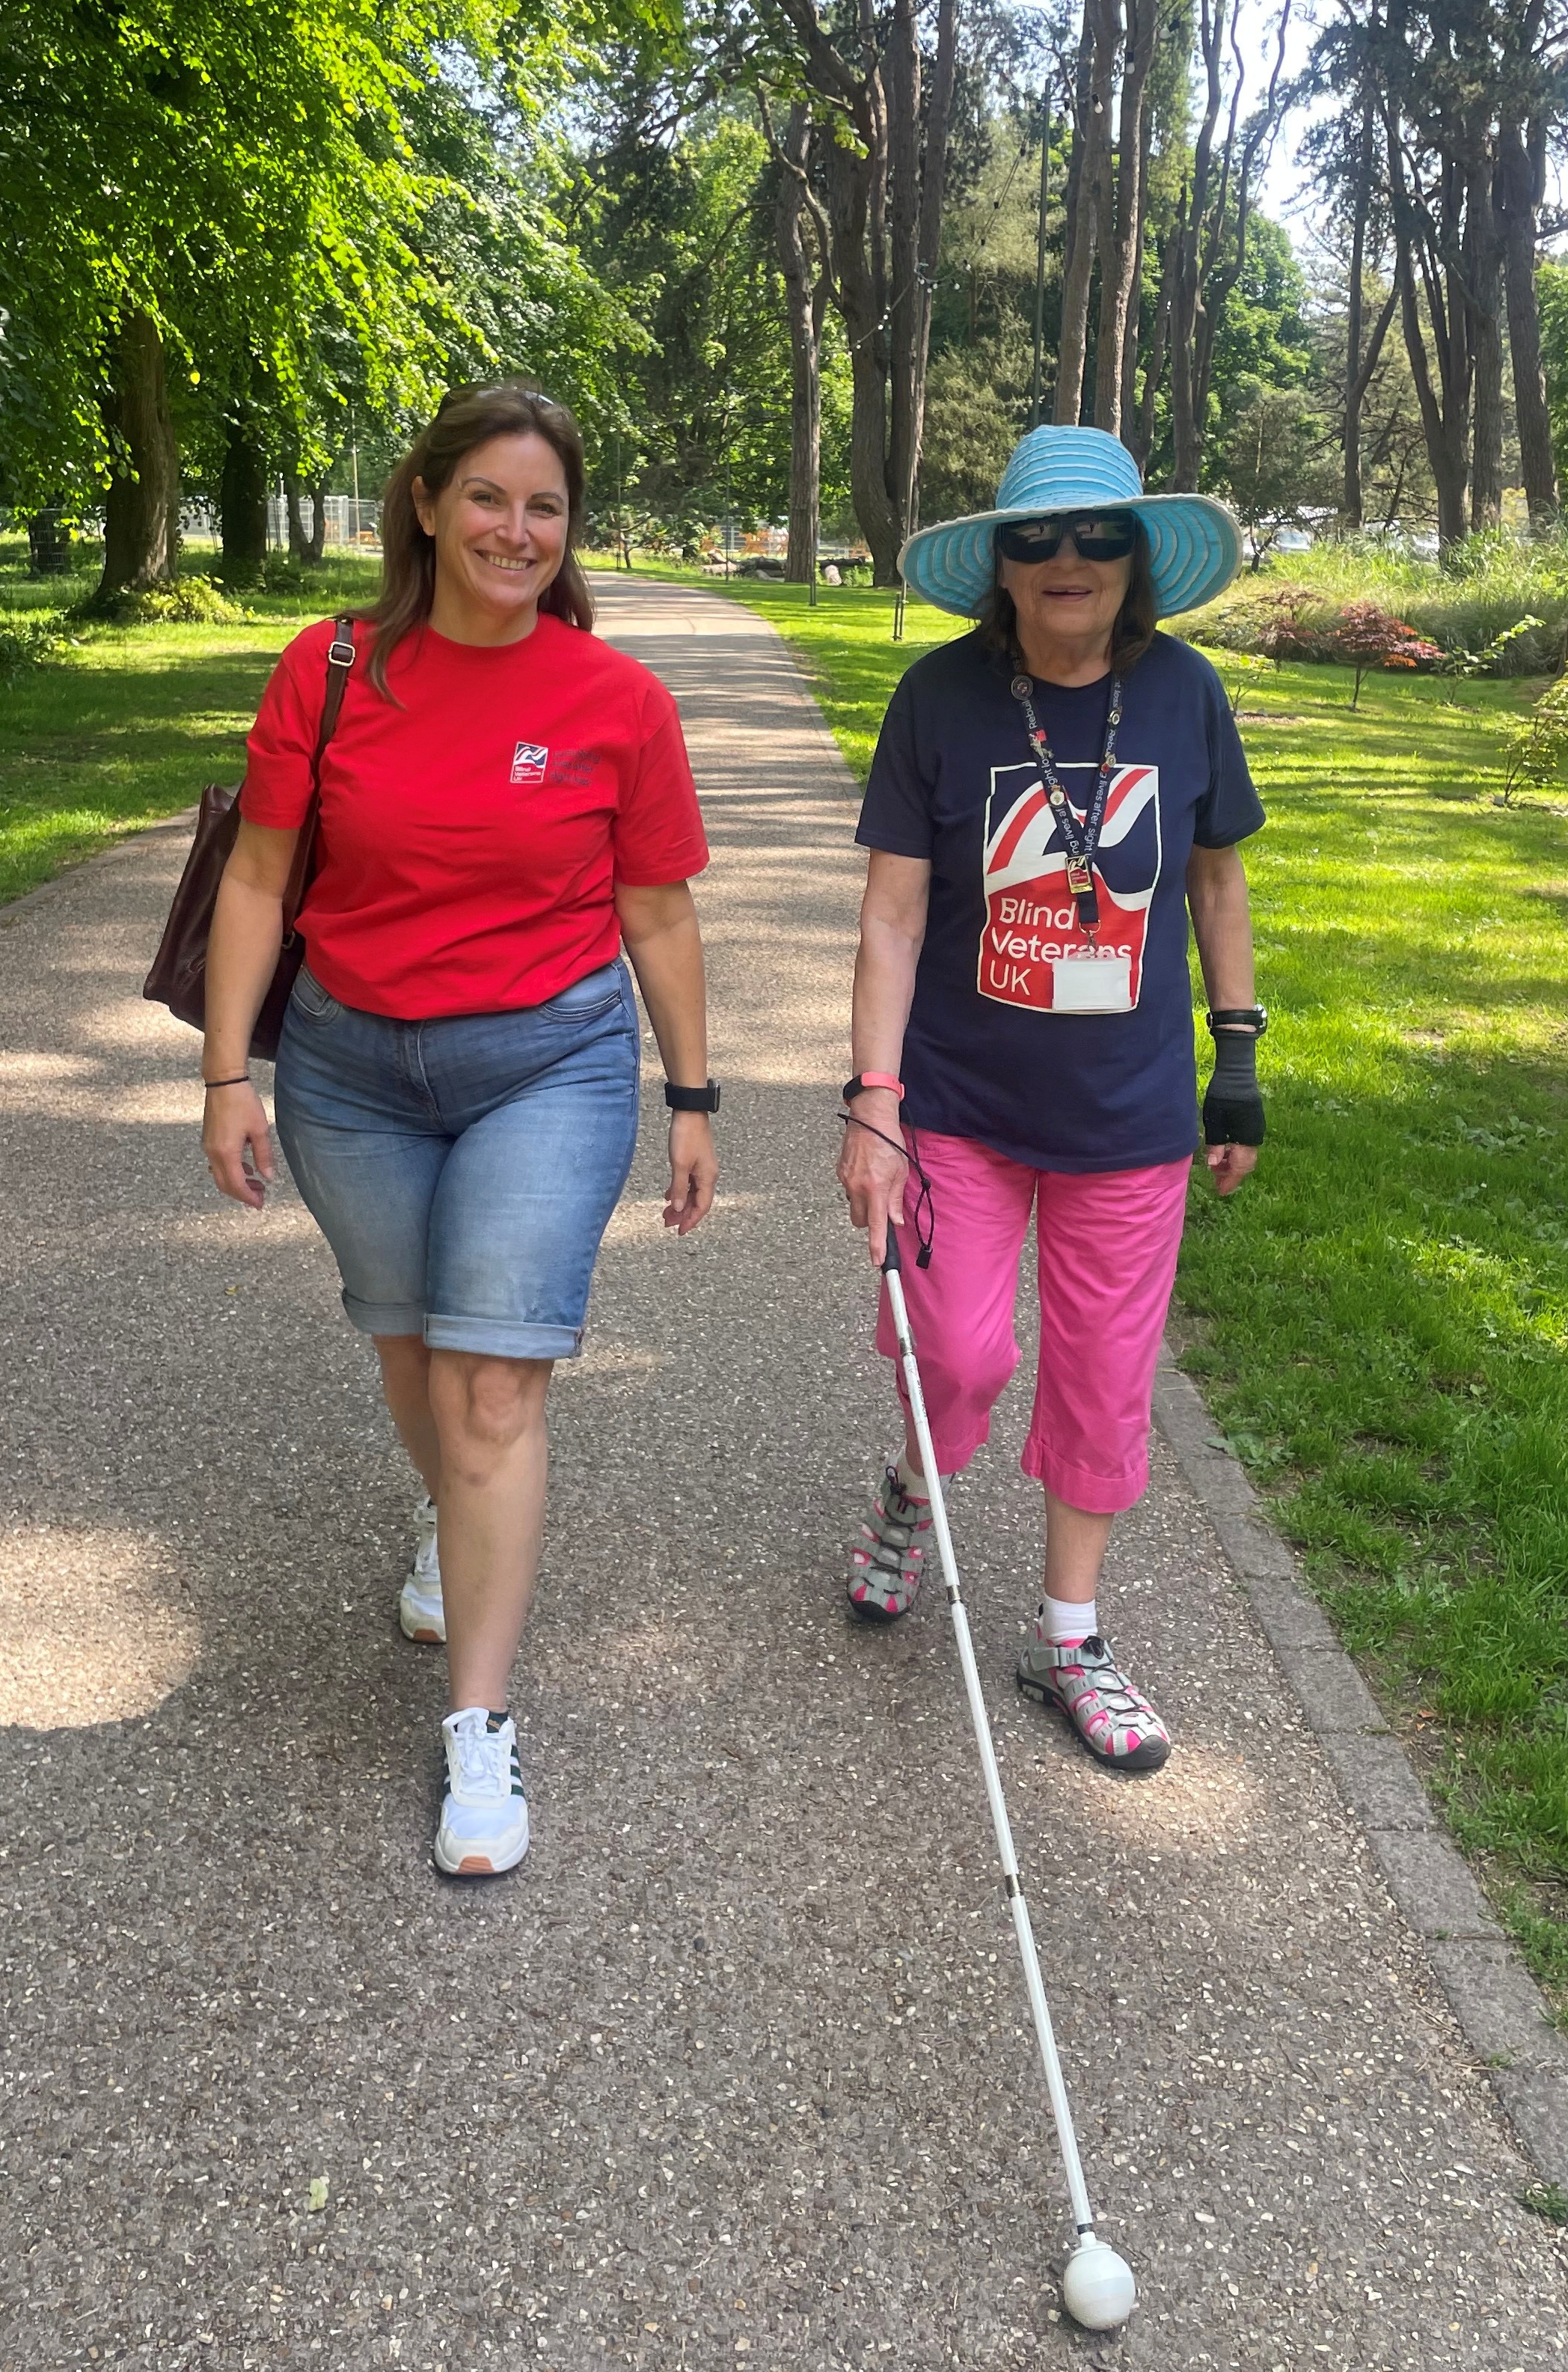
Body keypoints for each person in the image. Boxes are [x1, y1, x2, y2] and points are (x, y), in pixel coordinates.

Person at [200, 384, 718, 1878]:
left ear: (570, 532)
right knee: (412, 1349)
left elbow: (658, 910)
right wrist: (228, 1073)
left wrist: (691, 1096)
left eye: (544, 506)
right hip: (352, 1073)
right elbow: (257, 876)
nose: (515, 529)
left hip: (545, 1067)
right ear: (424, 503)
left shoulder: (615, 703)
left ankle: (476, 1731)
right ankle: (455, 1522)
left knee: (496, 1386)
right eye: (487, 497)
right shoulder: (334, 666)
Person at [835, 424, 1263, 1771]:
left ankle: (1068, 1634)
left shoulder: (1188, 695)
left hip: (1127, 1123)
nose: (1067, 560)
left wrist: (1236, 1063)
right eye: (1037, 539)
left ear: (1136, 560)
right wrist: (874, 1101)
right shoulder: (939, 700)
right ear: (1000, 568)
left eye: (1096, 536)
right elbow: (894, 922)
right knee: (957, 1354)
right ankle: (917, 1488)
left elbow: (1216, 884)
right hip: (959, 1103)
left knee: (1102, 1381)